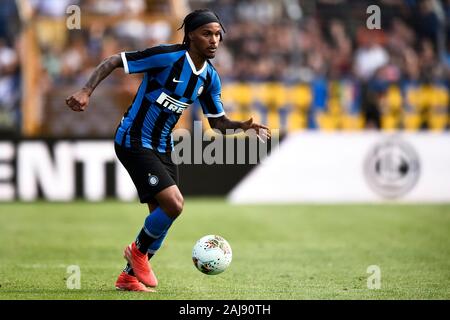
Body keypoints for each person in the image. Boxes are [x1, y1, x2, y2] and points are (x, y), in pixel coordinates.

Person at [65, 9, 270, 292]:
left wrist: (242, 126)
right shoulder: (167, 58)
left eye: (218, 35)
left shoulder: (209, 78)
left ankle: (128, 277)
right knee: (174, 204)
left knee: (161, 217)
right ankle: (136, 253)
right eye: (207, 34)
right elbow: (113, 60)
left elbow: (217, 123)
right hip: (133, 139)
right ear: (190, 36)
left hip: (163, 145)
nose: (214, 40)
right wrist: (86, 91)